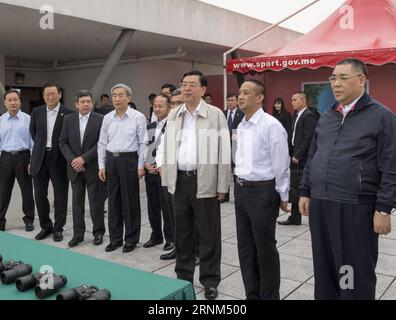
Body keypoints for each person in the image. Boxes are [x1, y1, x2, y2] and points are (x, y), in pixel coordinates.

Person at [299, 58, 396, 300]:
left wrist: (383, 208)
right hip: (321, 204)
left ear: (361, 80)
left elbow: (391, 165)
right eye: (333, 78)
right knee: (325, 268)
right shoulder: (327, 116)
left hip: (354, 207)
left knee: (351, 272)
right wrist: (305, 190)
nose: (336, 83)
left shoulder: (381, 116)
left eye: (343, 77)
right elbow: (314, 155)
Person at [161, 71, 231, 300]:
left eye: (192, 85)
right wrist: (167, 176)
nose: (187, 88)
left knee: (208, 233)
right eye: (184, 84)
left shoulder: (215, 114)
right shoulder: (174, 114)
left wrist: (222, 183)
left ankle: (210, 280)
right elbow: (166, 147)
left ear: (202, 89)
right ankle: (183, 277)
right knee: (182, 233)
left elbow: (224, 151)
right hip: (179, 181)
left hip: (205, 181)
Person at [234, 79, 290, 300]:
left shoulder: (271, 125)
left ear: (259, 98)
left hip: (263, 193)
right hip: (241, 190)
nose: (240, 96)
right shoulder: (241, 125)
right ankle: (252, 294)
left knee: (264, 249)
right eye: (239, 92)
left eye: (246, 92)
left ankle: (269, 296)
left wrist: (283, 194)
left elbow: (281, 163)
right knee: (245, 247)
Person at [98, 83, 148, 253]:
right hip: (111, 161)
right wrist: (101, 165)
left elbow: (143, 142)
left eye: (121, 95)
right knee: (113, 202)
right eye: (115, 95)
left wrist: (141, 166)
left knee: (130, 202)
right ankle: (115, 239)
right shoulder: (107, 118)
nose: (117, 99)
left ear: (129, 98)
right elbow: (102, 143)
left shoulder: (138, 117)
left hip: (129, 161)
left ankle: (131, 239)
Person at [59, 90, 106, 247]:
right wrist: (74, 160)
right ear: (76, 104)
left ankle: (98, 233)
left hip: (93, 167)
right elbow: (62, 142)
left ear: (92, 103)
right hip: (74, 169)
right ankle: (78, 234)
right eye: (83, 102)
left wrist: (83, 159)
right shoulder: (68, 119)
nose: (86, 104)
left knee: (95, 203)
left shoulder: (100, 119)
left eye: (88, 101)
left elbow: (101, 142)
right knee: (77, 204)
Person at [30, 83, 73, 242]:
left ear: (59, 94)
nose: (50, 97)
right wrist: (42, 147)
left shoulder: (68, 113)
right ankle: (45, 226)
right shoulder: (37, 112)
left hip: (59, 159)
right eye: (47, 94)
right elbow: (34, 133)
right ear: (43, 96)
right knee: (40, 194)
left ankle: (58, 228)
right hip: (40, 158)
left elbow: (69, 137)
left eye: (53, 93)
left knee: (60, 195)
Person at [278, 92, 317, 226]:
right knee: (294, 187)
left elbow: (308, 138)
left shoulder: (309, 116)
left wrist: (298, 155)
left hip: (302, 158)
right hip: (294, 155)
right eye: (292, 99)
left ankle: (300, 215)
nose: (292, 102)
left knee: (300, 186)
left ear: (304, 101)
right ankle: (295, 217)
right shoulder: (297, 115)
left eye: (295, 100)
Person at [143, 94, 174, 252]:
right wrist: (146, 164)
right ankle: (156, 235)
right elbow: (146, 147)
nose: (157, 108)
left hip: (165, 173)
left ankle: (170, 238)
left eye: (160, 106)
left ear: (169, 107)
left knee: (167, 207)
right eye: (155, 106)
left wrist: (161, 166)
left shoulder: (173, 125)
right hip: (150, 172)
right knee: (152, 206)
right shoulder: (150, 125)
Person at [0, 90, 35, 232]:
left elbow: (33, 141)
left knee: (26, 190)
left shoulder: (28, 119)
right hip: (5, 158)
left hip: (24, 157)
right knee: (3, 191)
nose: (13, 102)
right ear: (5, 103)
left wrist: (32, 160)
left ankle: (29, 220)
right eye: (9, 100)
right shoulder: (1, 120)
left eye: (15, 99)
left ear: (20, 101)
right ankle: (1, 221)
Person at [223, 93, 244, 202]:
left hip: (236, 147)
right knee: (225, 171)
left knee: (236, 172)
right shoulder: (222, 113)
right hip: (224, 147)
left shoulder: (241, 114)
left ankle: (237, 195)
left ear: (236, 101)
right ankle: (224, 195)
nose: (229, 103)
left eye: (232, 100)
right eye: (228, 101)